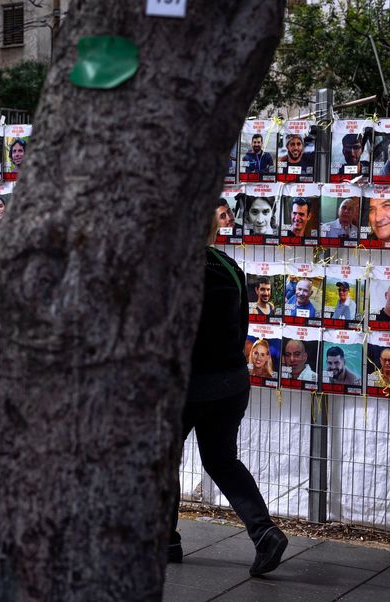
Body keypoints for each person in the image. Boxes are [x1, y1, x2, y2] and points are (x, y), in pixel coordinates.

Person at [169, 205, 287, 576]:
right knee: (221, 460)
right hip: (231, 384)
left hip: (185, 386)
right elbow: (241, 329)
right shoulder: (229, 267)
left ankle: (166, 540)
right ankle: (264, 531)